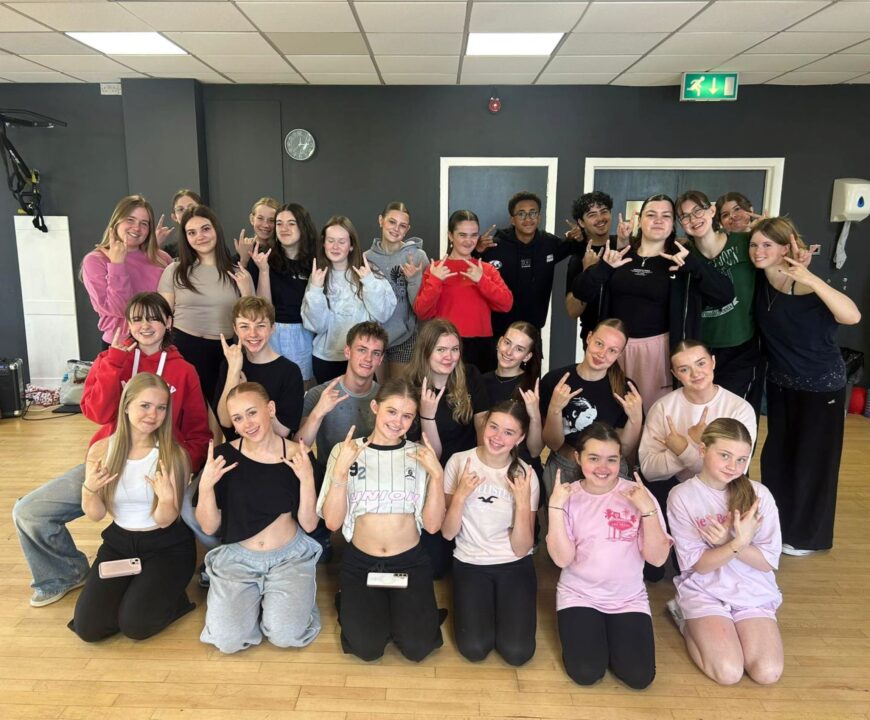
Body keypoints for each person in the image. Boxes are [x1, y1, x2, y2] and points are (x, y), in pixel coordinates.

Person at [13, 293, 210, 608]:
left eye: (153, 318)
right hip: (110, 461)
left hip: (161, 467)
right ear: (128, 324)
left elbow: (200, 432)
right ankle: (66, 573)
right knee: (29, 512)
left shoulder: (183, 370)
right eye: (137, 319)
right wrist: (114, 360)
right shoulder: (112, 360)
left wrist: (182, 468)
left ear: (168, 322)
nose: (145, 326)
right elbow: (96, 413)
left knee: (183, 517)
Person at [750, 217, 861, 555]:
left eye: (767, 245)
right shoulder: (761, 282)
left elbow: (852, 316)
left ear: (787, 248)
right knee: (779, 458)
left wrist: (809, 275)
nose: (758, 251)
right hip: (782, 384)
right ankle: (777, 526)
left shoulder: (809, 286)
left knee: (813, 462)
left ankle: (807, 537)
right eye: (754, 245)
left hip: (821, 387)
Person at [317, 378, 446, 662]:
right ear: (375, 407)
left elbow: (434, 526)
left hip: (409, 562)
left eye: (407, 415)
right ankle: (350, 601)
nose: (398, 421)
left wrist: (437, 477)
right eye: (391, 411)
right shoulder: (345, 451)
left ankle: (405, 614)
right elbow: (332, 523)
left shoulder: (419, 455)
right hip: (362, 563)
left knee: (417, 649)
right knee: (366, 649)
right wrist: (340, 473)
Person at [572, 194, 734, 413]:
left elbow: (724, 294)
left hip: (659, 354)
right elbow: (581, 293)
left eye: (666, 216)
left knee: (654, 416)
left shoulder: (682, 259)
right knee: (612, 412)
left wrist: (695, 267)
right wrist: (603, 269)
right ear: (640, 220)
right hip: (615, 350)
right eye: (651, 214)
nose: (658, 220)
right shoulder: (619, 255)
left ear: (673, 224)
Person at [195, 383, 321, 653]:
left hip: (289, 558)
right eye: (238, 418)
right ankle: (258, 607)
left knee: (286, 635)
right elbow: (209, 525)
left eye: (252, 413)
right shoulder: (222, 457)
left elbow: (310, 524)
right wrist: (205, 486)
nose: (247, 424)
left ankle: (288, 604)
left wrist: (307, 479)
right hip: (238, 559)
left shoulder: (299, 454)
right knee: (227, 641)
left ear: (270, 409)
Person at [70, 373, 196, 641]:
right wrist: (89, 488)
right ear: (126, 405)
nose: (153, 414)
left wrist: (165, 498)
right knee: (88, 628)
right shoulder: (102, 450)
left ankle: (173, 598)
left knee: (135, 626)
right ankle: (136, 589)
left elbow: (166, 519)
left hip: (167, 547)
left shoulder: (172, 455)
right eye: (145, 405)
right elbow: (96, 514)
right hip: (120, 543)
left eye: (161, 408)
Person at [547, 422, 671, 689]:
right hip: (578, 596)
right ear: (578, 458)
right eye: (594, 458)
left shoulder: (638, 495)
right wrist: (555, 507)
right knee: (586, 673)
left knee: (639, 677)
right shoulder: (566, 497)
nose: (603, 468)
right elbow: (562, 560)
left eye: (611, 460)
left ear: (620, 460)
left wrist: (648, 510)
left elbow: (658, 559)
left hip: (628, 598)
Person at [677, 190, 816, 419]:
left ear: (711, 212)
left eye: (698, 211)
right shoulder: (684, 254)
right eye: (685, 216)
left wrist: (795, 258)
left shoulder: (747, 243)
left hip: (742, 348)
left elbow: (776, 262)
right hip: (700, 351)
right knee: (701, 418)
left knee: (735, 419)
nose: (693, 219)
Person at [667, 418, 783, 685]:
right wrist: (733, 544)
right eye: (725, 455)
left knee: (768, 673)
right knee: (728, 673)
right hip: (704, 589)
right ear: (703, 450)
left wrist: (736, 545)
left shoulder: (760, 495)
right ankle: (684, 618)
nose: (734, 466)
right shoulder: (681, 496)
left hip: (752, 590)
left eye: (742, 459)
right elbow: (699, 566)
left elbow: (766, 563)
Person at [442, 400, 539, 666]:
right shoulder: (459, 462)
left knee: (518, 653)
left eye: (508, 432)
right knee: (474, 649)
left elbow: (521, 548)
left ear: (519, 438)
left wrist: (521, 503)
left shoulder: (525, 474)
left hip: (514, 564)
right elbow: (448, 534)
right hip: (470, 562)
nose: (498, 437)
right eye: (493, 427)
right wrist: (460, 496)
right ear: (484, 425)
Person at [295, 322, 389, 560]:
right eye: (361, 350)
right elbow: (300, 446)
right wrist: (319, 412)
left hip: (371, 481)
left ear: (380, 359)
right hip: (329, 477)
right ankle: (323, 533)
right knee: (321, 558)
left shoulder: (385, 397)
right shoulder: (320, 393)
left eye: (375, 353)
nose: (368, 358)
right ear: (347, 352)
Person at [639, 339, 757, 519]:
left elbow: (733, 470)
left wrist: (686, 449)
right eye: (684, 369)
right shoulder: (662, 407)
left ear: (713, 362)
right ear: (675, 374)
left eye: (701, 363)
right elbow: (649, 470)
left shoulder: (739, 409)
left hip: (725, 491)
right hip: (674, 488)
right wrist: (679, 453)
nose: (695, 373)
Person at [158, 205, 254, 407]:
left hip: (222, 351)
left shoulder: (238, 273)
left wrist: (246, 291)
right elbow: (162, 317)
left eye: (205, 229)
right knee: (183, 412)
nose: (200, 236)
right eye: (191, 232)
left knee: (221, 414)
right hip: (182, 348)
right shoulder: (174, 270)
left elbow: (251, 318)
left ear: (216, 230)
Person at [540, 319, 643, 494]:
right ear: (589, 338)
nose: (602, 354)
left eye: (612, 350)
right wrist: (555, 409)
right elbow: (553, 443)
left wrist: (635, 419)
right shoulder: (554, 380)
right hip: (565, 467)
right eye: (599, 343)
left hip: (607, 472)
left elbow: (624, 449)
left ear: (620, 354)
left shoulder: (624, 388)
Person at [474, 191, 582, 343]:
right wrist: (475, 250)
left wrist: (578, 237)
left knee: (531, 366)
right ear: (513, 219)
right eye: (521, 214)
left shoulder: (549, 244)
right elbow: (465, 264)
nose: (528, 219)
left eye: (533, 213)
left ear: (539, 217)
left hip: (533, 330)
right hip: (499, 330)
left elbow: (577, 249)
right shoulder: (494, 246)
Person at [414, 210, 513, 373]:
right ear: (451, 236)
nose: (469, 241)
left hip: (481, 346)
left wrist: (482, 280)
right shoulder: (436, 269)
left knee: (478, 396)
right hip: (444, 345)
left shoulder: (486, 270)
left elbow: (506, 304)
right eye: (462, 235)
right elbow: (422, 312)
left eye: (474, 235)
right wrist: (436, 281)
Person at [302, 215, 396, 384]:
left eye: (342, 241)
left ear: (351, 245)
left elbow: (383, 314)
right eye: (330, 241)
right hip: (327, 358)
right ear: (323, 244)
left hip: (362, 358)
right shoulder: (318, 276)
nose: (335, 246)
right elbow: (316, 325)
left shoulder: (370, 272)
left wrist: (369, 281)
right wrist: (316, 289)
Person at [81, 195, 172, 348]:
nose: (137, 228)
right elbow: (120, 308)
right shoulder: (95, 260)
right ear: (116, 221)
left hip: (159, 344)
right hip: (120, 346)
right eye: (130, 220)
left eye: (144, 223)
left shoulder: (162, 258)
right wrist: (117, 264)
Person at [215, 296, 304, 441]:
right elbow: (225, 421)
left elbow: (282, 431)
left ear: (272, 328)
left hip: (273, 455)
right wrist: (233, 371)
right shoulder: (229, 364)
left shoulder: (290, 371)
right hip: (239, 450)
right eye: (244, 326)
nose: (253, 334)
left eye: (260, 326)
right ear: (235, 329)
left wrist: (247, 393)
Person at [248, 202, 317, 386]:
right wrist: (263, 271)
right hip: (271, 332)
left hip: (304, 335)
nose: (284, 228)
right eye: (279, 223)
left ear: (303, 226)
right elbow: (263, 308)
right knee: (267, 390)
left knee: (300, 393)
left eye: (291, 223)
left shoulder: (316, 261)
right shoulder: (263, 258)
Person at [364, 201, 429, 381]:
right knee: (378, 393)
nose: (396, 229)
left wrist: (414, 280)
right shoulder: (366, 259)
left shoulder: (417, 256)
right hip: (375, 337)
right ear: (381, 221)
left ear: (408, 229)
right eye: (392, 222)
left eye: (402, 225)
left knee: (400, 393)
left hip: (406, 337)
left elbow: (423, 308)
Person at [564, 191, 631, 333]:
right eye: (592, 215)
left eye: (604, 211)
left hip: (631, 334)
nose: (600, 218)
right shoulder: (579, 257)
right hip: (595, 334)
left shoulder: (624, 244)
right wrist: (587, 272)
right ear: (581, 222)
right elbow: (572, 311)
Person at [481, 321, 544, 462]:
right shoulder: (479, 381)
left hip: (521, 468)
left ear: (527, 356)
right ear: (499, 342)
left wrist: (534, 416)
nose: (509, 352)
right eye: (507, 343)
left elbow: (535, 451)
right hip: (486, 466)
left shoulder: (535, 388)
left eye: (519, 349)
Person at [235, 196, 280, 267]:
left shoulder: (283, 252)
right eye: (260, 218)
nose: (266, 225)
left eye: (271, 220)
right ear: (252, 219)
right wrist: (244, 259)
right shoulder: (244, 249)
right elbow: (235, 277)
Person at [160, 189, 202, 257]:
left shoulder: (212, 242)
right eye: (181, 209)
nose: (186, 213)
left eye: (191, 207)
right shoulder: (169, 253)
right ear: (174, 217)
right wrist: (154, 245)